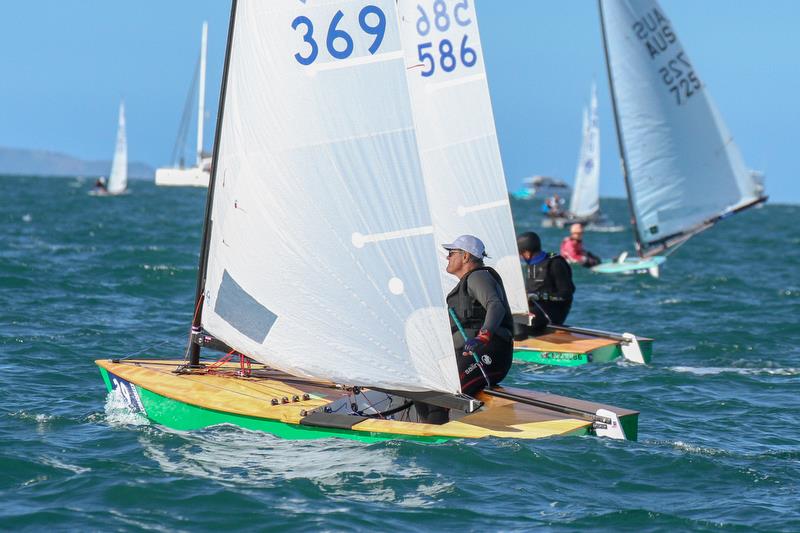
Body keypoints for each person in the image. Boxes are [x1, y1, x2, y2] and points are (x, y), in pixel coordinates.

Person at [415, 235, 514, 425]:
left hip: (488, 356)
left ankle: (437, 441)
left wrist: (483, 337)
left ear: (466, 256)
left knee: (441, 390)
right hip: (471, 356)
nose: (447, 257)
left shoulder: (478, 276)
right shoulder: (466, 283)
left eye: (451, 253)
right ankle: (428, 430)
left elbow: (496, 306)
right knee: (422, 383)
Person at [516, 231, 575, 337]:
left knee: (517, 320)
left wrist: (540, 296)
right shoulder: (531, 265)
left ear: (527, 253)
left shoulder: (555, 263)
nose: (520, 257)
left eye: (521, 254)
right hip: (535, 310)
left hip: (551, 313)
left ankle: (521, 347)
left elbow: (566, 294)